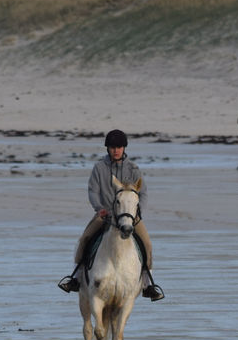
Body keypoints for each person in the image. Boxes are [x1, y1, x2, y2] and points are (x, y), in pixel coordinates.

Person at [57, 129, 164, 301]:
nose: (116, 150)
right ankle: (75, 278)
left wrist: (137, 212)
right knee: (84, 239)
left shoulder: (134, 169)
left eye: (119, 147)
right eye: (113, 147)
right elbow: (93, 191)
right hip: (105, 214)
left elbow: (142, 193)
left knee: (148, 244)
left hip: (129, 216)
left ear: (124, 148)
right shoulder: (99, 168)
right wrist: (99, 208)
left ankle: (148, 284)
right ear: (108, 148)